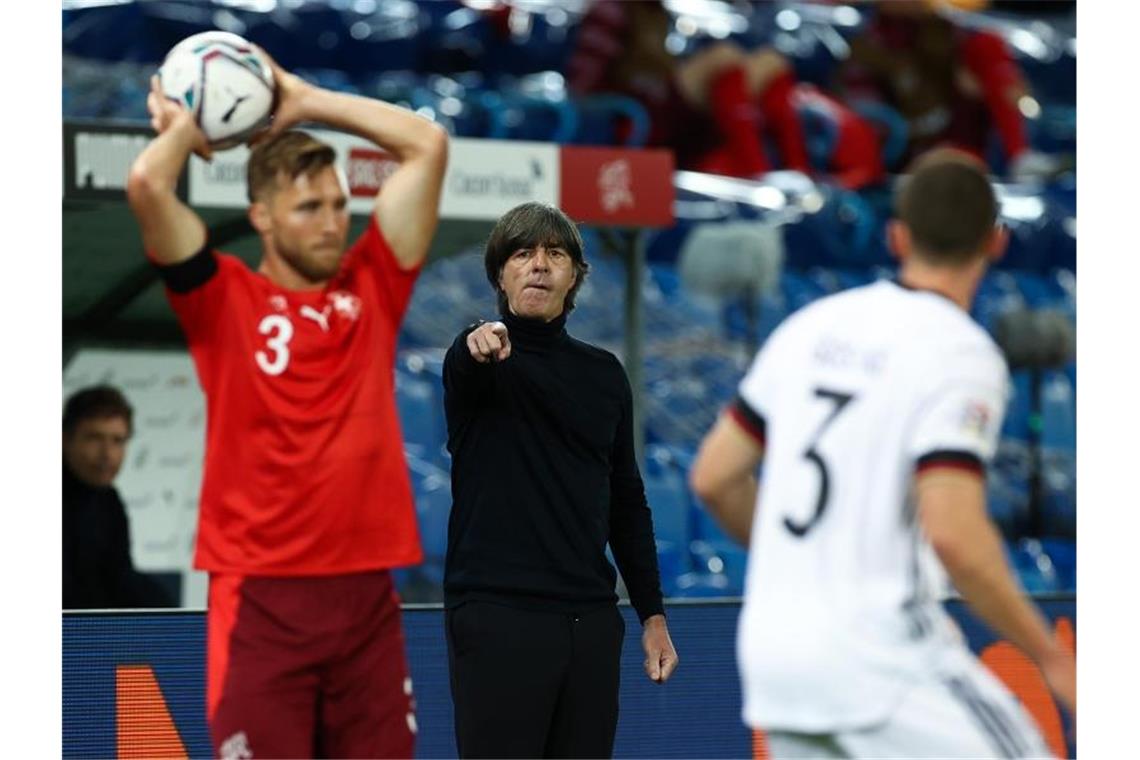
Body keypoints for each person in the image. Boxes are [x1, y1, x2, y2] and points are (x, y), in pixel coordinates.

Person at [689, 149, 1075, 758]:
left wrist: (812, 573)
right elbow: (953, 531)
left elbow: (713, 477)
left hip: (778, 659)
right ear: (996, 242)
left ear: (897, 236)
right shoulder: (960, 351)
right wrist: (1051, 657)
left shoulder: (810, 326)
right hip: (881, 657)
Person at [126, 45, 448, 759]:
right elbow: (149, 185)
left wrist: (303, 99)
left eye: (338, 204)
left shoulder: (373, 289)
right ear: (263, 217)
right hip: (262, 604)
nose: (334, 223)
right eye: (309, 208)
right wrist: (184, 128)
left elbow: (427, 143)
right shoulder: (222, 299)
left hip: (366, 602)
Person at [442, 201, 678, 758]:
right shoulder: (483, 360)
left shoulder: (604, 374)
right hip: (499, 616)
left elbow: (626, 499)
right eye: (522, 254)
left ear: (575, 275)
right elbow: (466, 360)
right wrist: (475, 340)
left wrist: (652, 613)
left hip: (590, 622)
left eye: (555, 254)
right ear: (500, 273)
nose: (539, 265)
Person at [567, 0, 885, 188]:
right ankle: (756, 171)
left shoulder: (659, 11)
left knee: (769, 62)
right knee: (723, 58)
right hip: (629, 115)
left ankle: (795, 171)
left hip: (662, 108)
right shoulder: (608, 9)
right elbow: (585, 86)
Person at [838, 0, 1059, 181]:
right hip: (910, 157)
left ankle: (1020, 157)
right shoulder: (867, 46)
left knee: (989, 45)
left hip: (960, 149)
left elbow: (992, 87)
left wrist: (979, 88)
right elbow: (867, 120)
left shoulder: (948, 32)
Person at [63, 385, 175, 610]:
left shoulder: (109, 501)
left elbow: (121, 577)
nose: (107, 453)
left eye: (118, 441)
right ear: (65, 439)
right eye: (94, 438)